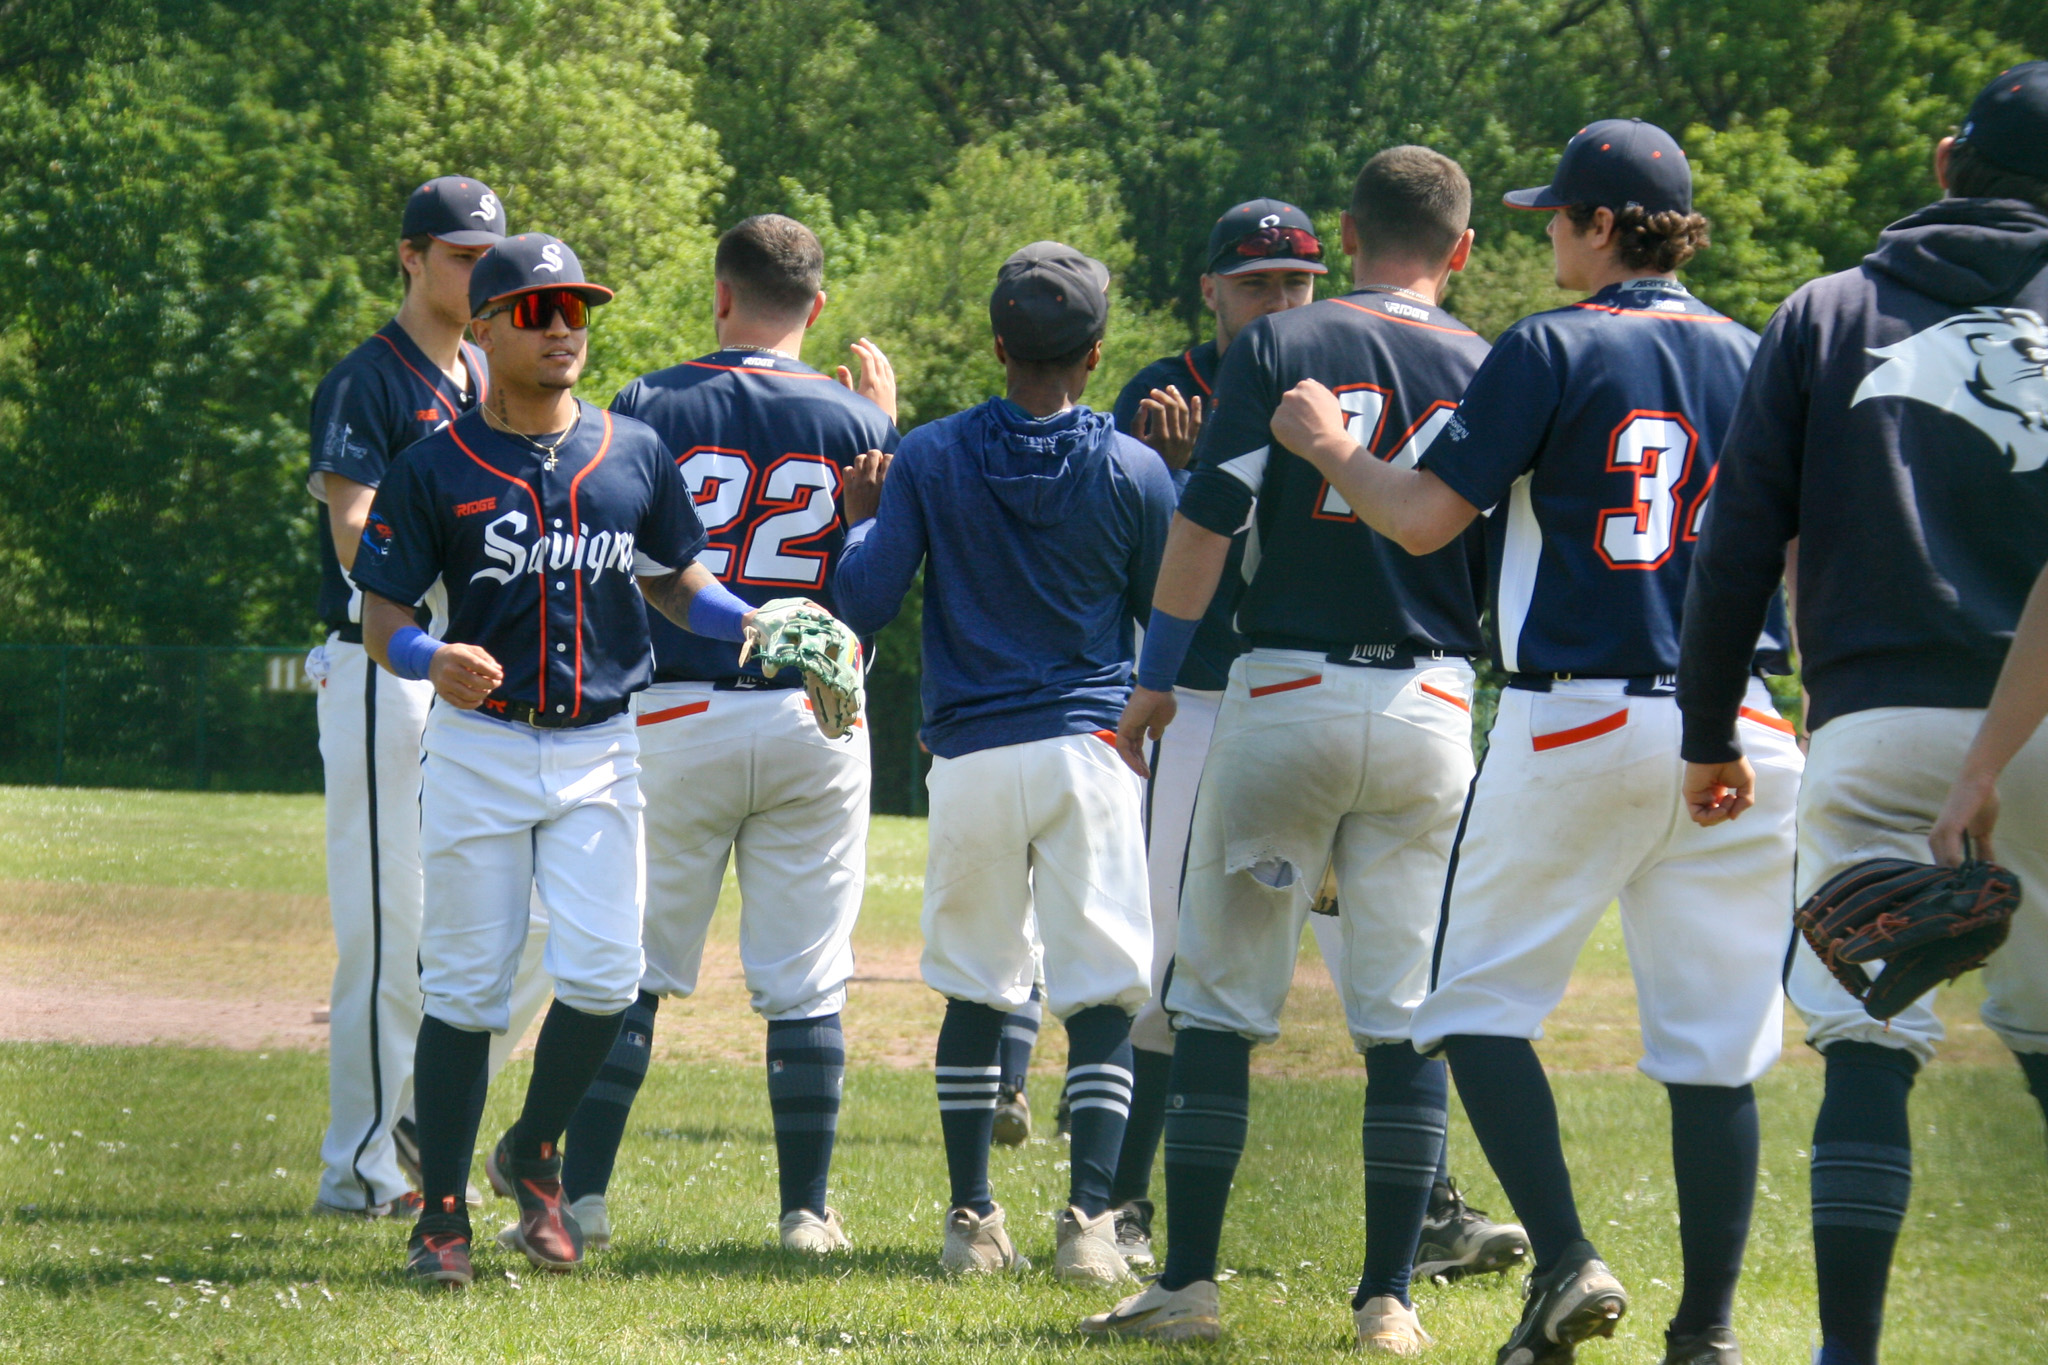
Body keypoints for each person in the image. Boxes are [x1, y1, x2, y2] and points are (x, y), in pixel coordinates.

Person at [1285, 122, 1801, 1365]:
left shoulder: (1553, 345)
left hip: (1582, 711)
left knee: (1466, 1003)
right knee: (1713, 1050)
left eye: (1559, 215)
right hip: (1743, 728)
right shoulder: (1762, 352)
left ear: (1604, 224)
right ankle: (1709, 1335)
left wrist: (1329, 446)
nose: (1548, 235)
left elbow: (1417, 520)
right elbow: (1796, 556)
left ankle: (1566, 1256)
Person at [1082, 147, 1526, 1351]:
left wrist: (1155, 678)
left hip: (1282, 688)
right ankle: (1388, 1299)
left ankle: (1184, 1284)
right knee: (1400, 1017)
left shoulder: (1278, 347)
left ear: (1347, 230)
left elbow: (1206, 524)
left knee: (1220, 1005)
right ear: (1462, 249)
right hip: (1435, 701)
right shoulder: (1492, 360)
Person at [1679, 64, 2048, 1365]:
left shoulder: (1829, 308)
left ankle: (1847, 1358)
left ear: (1948, 160)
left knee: (1866, 1046)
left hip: (1880, 720)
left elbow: (1734, 547)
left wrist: (1710, 726)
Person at [351, 233, 748, 1287]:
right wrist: (429, 655)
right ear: (482, 330)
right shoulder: (432, 465)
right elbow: (381, 612)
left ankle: (532, 1148)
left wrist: (749, 623)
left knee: (608, 977)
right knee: (468, 993)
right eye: (535, 309)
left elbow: (674, 578)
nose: (562, 325)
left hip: (604, 746)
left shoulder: (633, 449)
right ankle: (439, 1218)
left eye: (574, 307)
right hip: (481, 747)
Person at [554, 214, 899, 1255]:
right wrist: (879, 431)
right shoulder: (855, 418)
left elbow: (614, 559)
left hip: (675, 710)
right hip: (812, 714)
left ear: (719, 294)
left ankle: (583, 1202)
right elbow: (872, 586)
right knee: (806, 979)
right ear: (817, 308)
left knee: (634, 970)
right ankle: (803, 1214)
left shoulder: (650, 401)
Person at [833, 242, 1177, 1283]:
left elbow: (862, 603)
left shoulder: (931, 455)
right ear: (1097, 351)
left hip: (973, 752)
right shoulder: (1133, 465)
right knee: (1104, 999)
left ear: (996, 345)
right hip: (1090, 748)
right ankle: (1086, 1226)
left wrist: (859, 523)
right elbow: (1169, 621)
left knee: (976, 995)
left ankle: (971, 1223)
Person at [1086, 197, 1353, 1266]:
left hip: (1319, 691)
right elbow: (1122, 559)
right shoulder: (1158, 393)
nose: (1276, 304)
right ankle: (1122, 1199)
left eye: (1294, 285)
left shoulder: (1350, 374)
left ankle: (1430, 1202)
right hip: (1195, 696)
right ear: (1209, 290)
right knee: (1168, 952)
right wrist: (1178, 483)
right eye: (1254, 286)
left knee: (1373, 949)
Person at [303, 176, 550, 1218]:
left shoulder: (492, 377)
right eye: (457, 253)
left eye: (484, 253)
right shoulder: (370, 380)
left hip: (480, 674)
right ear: (410, 257)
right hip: (383, 667)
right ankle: (357, 1170)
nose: (474, 268)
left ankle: (416, 1119)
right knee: (385, 925)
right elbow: (355, 533)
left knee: (538, 918)